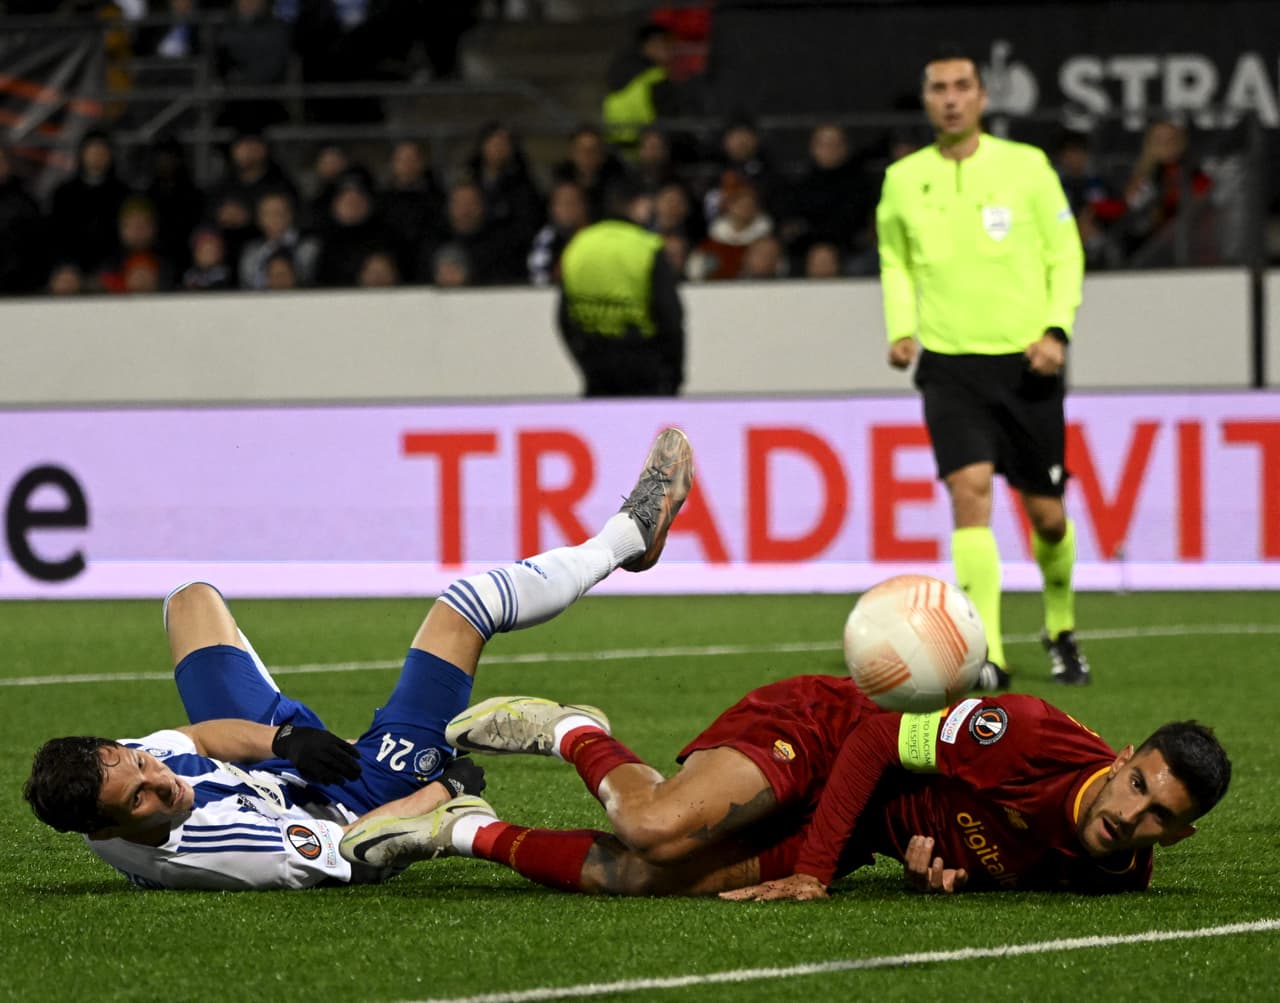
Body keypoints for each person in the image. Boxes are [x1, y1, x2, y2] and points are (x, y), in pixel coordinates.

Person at [340, 434, 1230, 901]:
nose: (1134, 812)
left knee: (644, 877)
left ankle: (456, 829)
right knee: (655, 828)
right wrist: (809, 871)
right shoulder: (1029, 736)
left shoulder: (1114, 872)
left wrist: (933, 874)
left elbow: (957, 841)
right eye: (1139, 784)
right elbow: (882, 732)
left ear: (1175, 836)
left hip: (859, 830)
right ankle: (573, 728)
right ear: (1122, 760)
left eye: (1158, 816)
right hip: (823, 732)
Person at [22, 428, 695, 891]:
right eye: (138, 797)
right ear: (104, 827)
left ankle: (298, 736)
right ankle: (628, 534)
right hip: (360, 799)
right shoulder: (224, 854)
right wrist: (446, 789)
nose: (158, 782)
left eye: (140, 764)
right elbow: (357, 855)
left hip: (280, 766)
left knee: (188, 600)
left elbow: (195, 739)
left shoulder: (114, 778)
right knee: (463, 609)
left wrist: (285, 738)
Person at [874, 48, 1088, 687]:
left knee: (1047, 515)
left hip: (1027, 363)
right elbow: (895, 262)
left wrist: (1057, 330)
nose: (950, 98)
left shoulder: (1027, 167)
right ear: (927, 99)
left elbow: (1065, 254)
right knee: (970, 495)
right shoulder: (903, 179)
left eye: (962, 87)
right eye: (938, 87)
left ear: (982, 97)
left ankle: (1060, 625)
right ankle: (987, 653)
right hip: (948, 364)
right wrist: (901, 329)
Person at [557, 180, 685, 397]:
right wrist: (675, 375)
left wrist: (583, 359)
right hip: (644, 366)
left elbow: (563, 317)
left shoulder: (578, 245)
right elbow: (669, 315)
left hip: (595, 364)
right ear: (639, 205)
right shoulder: (647, 246)